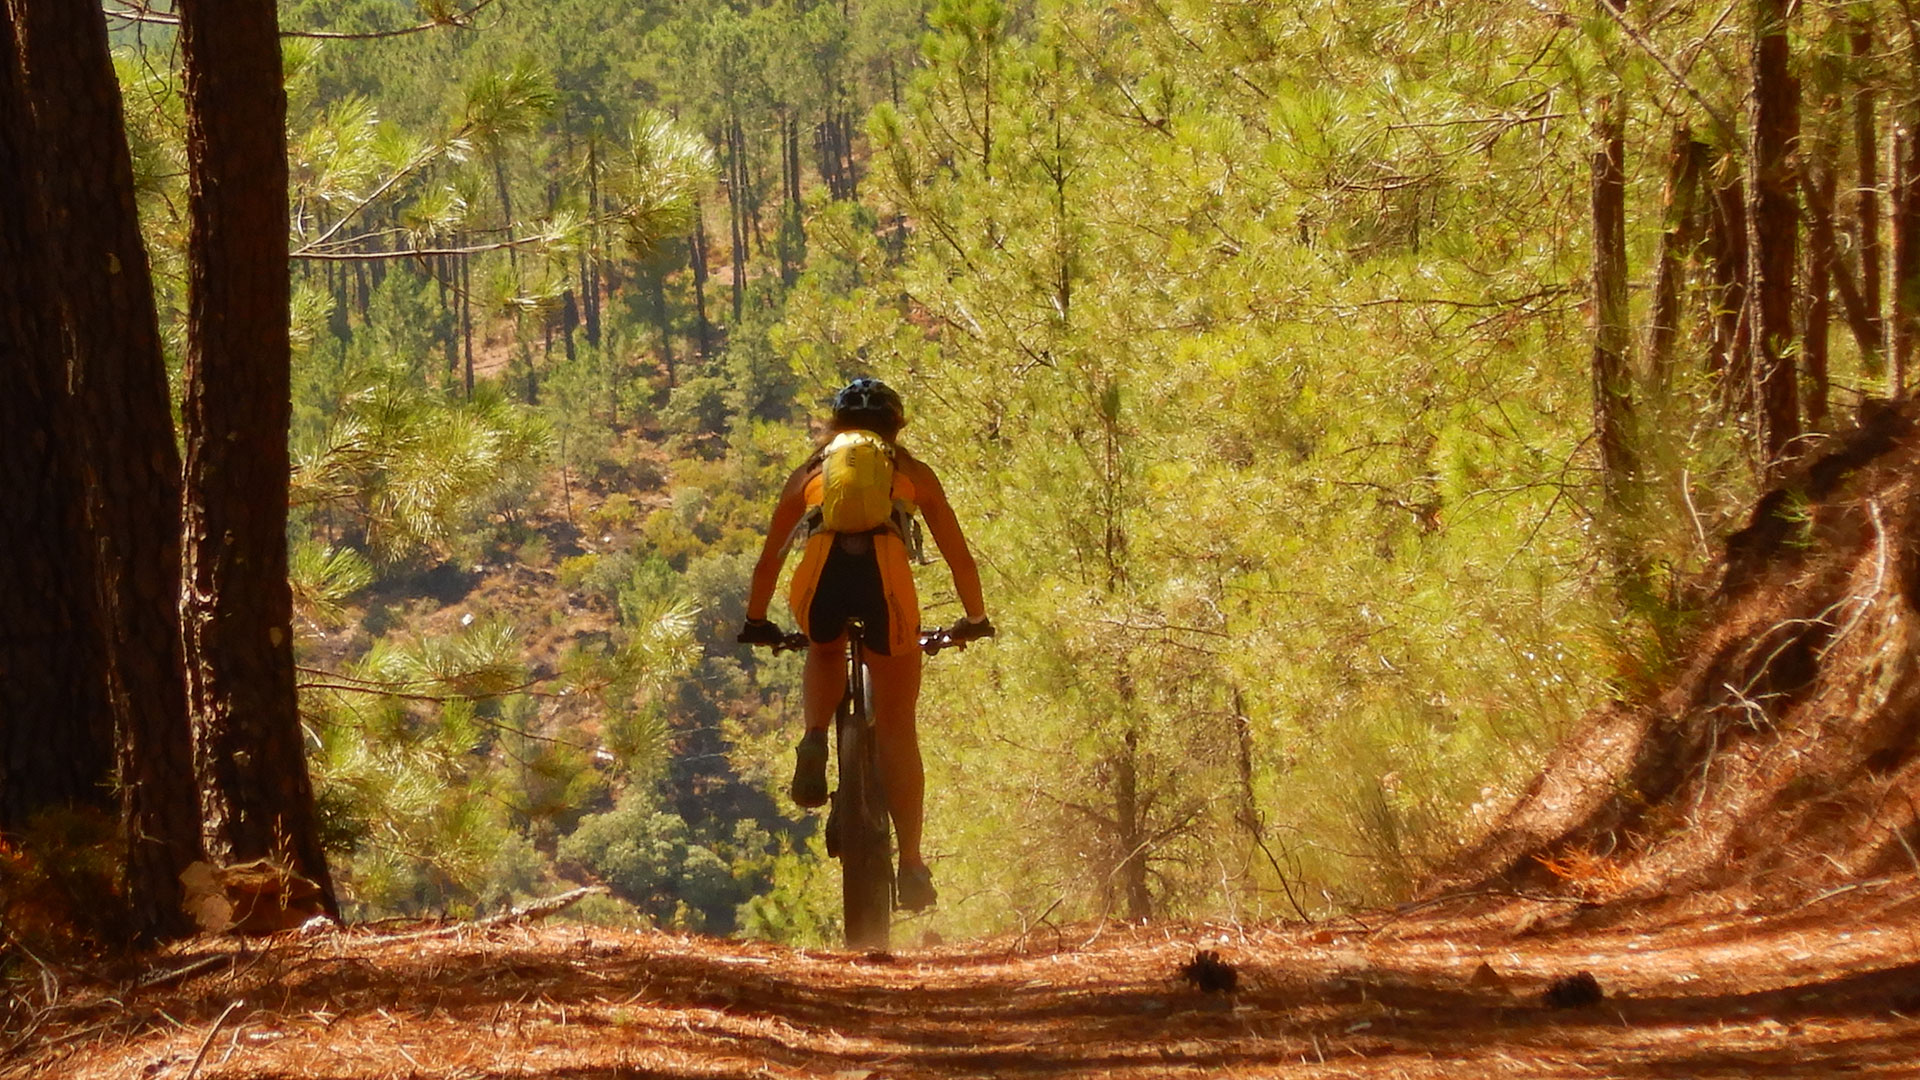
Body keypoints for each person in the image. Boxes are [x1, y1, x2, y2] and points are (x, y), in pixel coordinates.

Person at [738, 377, 992, 911]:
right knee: (897, 722)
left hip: (820, 574)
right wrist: (975, 617)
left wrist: (757, 620)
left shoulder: (811, 471)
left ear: (836, 426)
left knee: (823, 648)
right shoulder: (912, 473)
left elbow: (769, 560)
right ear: (896, 428)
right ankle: (913, 865)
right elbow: (959, 557)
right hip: (886, 577)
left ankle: (813, 739)